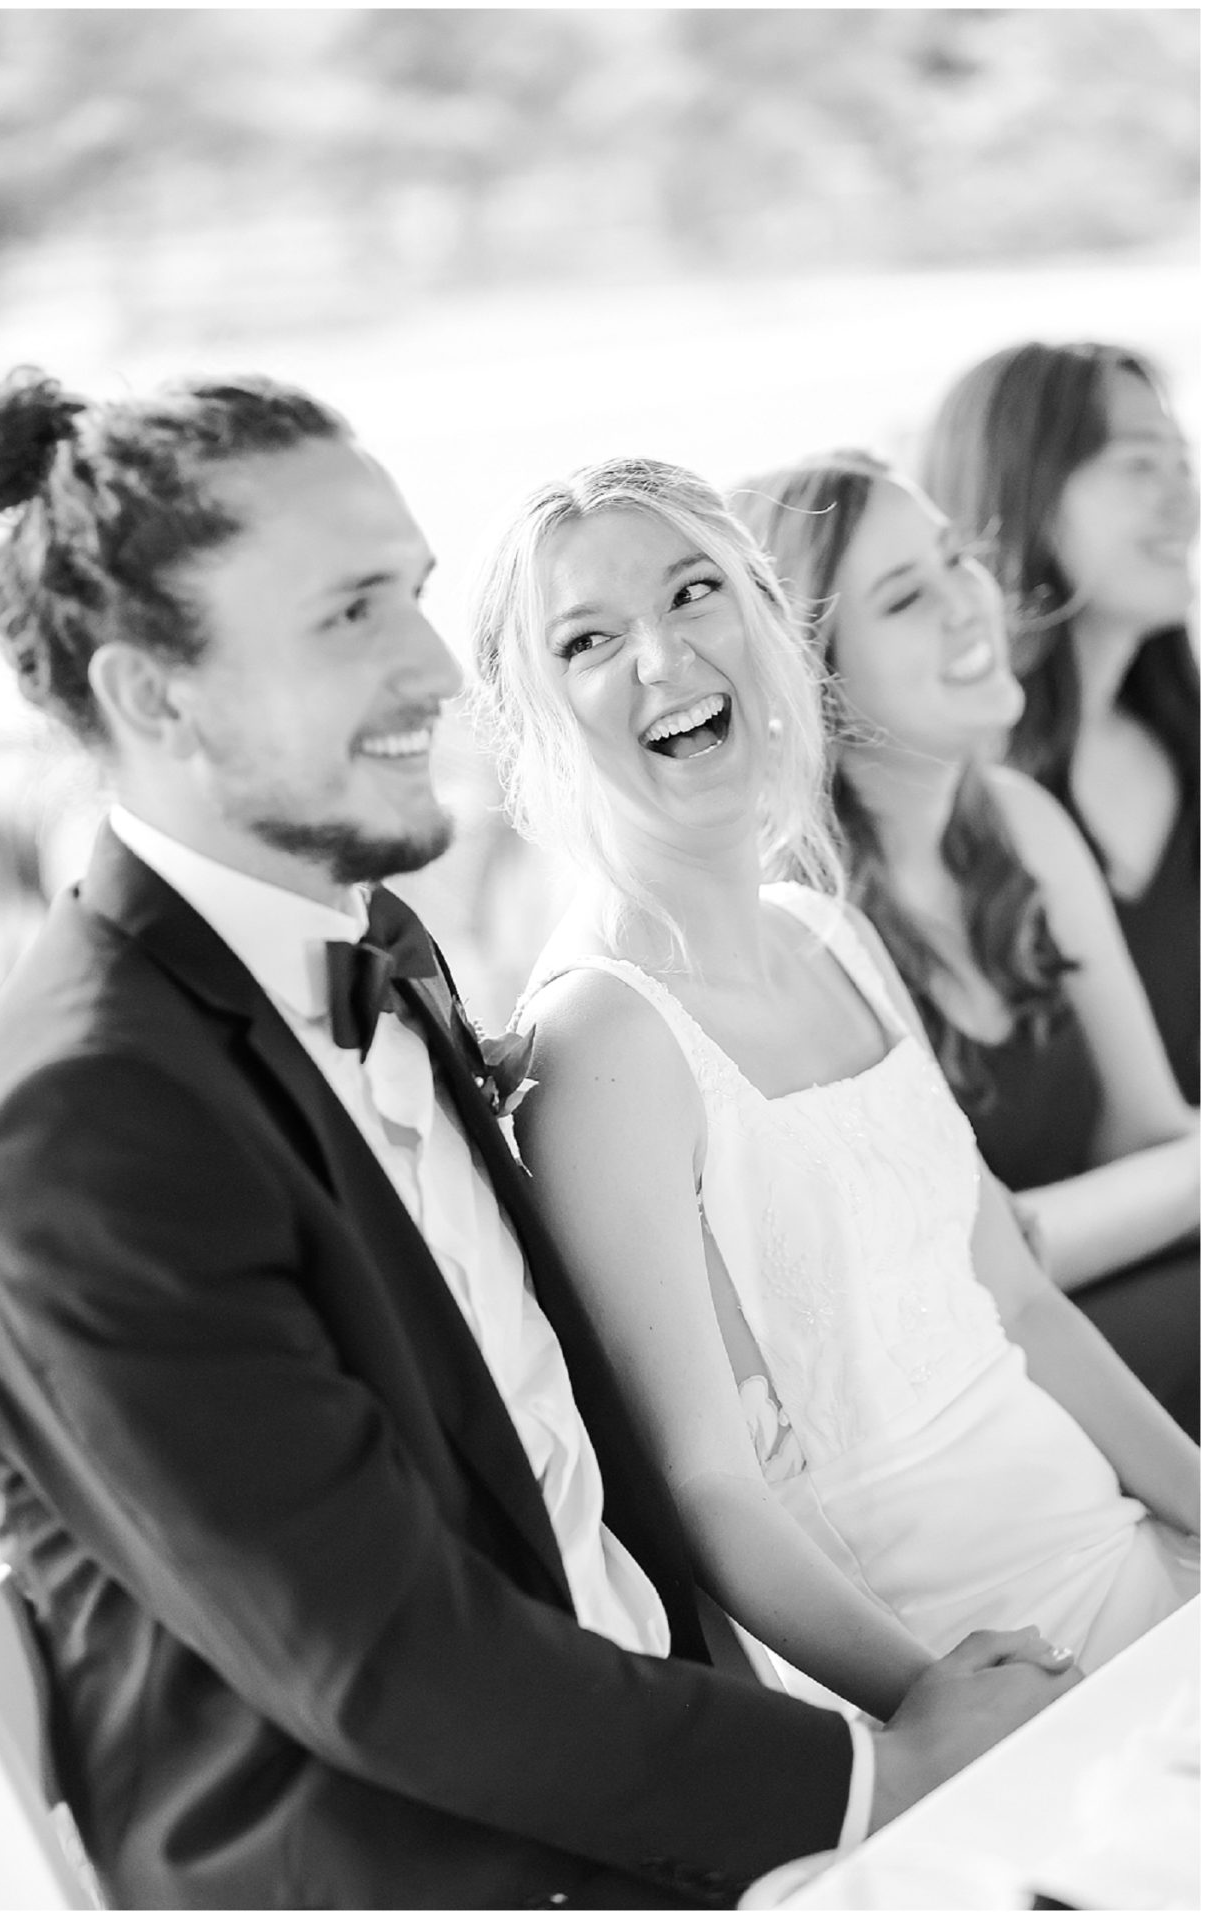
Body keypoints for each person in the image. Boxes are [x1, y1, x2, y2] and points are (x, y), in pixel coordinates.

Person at [0, 368, 1082, 1909]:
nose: (432, 665)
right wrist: (893, 1766)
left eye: (411, 594)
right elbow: (392, 1668)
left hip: (669, 1769)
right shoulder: (85, 1119)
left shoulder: (368, 944)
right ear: (155, 694)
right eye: (351, 615)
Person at [478, 456, 1195, 1724]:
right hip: (958, 1666)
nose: (661, 656)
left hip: (1120, 1550)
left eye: (694, 593)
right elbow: (714, 1485)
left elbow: (1019, 1300)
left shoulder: (827, 930)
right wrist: (934, 1703)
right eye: (588, 638)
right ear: (533, 719)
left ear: (765, 619)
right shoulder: (603, 1041)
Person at [735, 452, 1199, 1433]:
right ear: (808, 673)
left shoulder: (1018, 819)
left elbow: (1151, 1128)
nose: (967, 605)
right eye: (905, 598)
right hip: (977, 1383)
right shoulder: (799, 922)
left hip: (1115, 1288)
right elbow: (980, 1254)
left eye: (958, 560)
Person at [921, 342, 1200, 1101]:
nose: (1186, 496)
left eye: (1183, 461)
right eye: (1141, 464)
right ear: (1028, 492)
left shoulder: (1184, 743)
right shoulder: (951, 799)